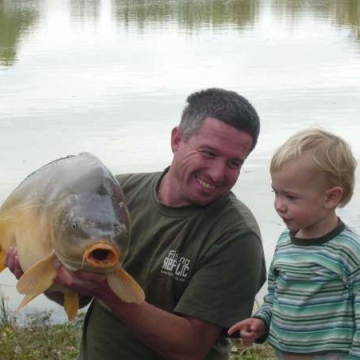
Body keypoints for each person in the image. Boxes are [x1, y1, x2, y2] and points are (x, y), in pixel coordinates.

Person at [5, 88, 266, 360]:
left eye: (234, 162)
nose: (217, 173)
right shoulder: (117, 195)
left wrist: (108, 291)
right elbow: (78, 297)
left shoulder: (237, 237)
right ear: (177, 140)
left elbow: (190, 348)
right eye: (209, 153)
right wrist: (46, 279)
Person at [228, 128, 360, 360]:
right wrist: (262, 320)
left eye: (291, 197)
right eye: (276, 193)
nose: (279, 205)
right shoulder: (285, 244)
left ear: (331, 197)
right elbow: (276, 297)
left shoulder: (348, 250)